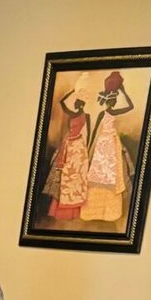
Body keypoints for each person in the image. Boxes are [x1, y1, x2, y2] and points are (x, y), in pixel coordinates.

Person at [82, 71, 136, 227]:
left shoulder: (110, 112)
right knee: (98, 177)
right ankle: (94, 211)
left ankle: (110, 212)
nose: (112, 103)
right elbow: (94, 130)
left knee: (113, 176)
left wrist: (122, 90)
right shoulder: (103, 113)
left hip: (111, 144)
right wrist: (89, 148)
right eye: (111, 100)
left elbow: (130, 106)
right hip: (103, 145)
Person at [42, 91, 90, 223]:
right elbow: (63, 103)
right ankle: (60, 211)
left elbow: (88, 132)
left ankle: (73, 212)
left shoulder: (85, 116)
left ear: (81, 105)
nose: (74, 104)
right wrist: (73, 92)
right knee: (64, 177)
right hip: (69, 143)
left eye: (77, 103)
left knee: (74, 178)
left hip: (78, 147)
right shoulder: (73, 114)